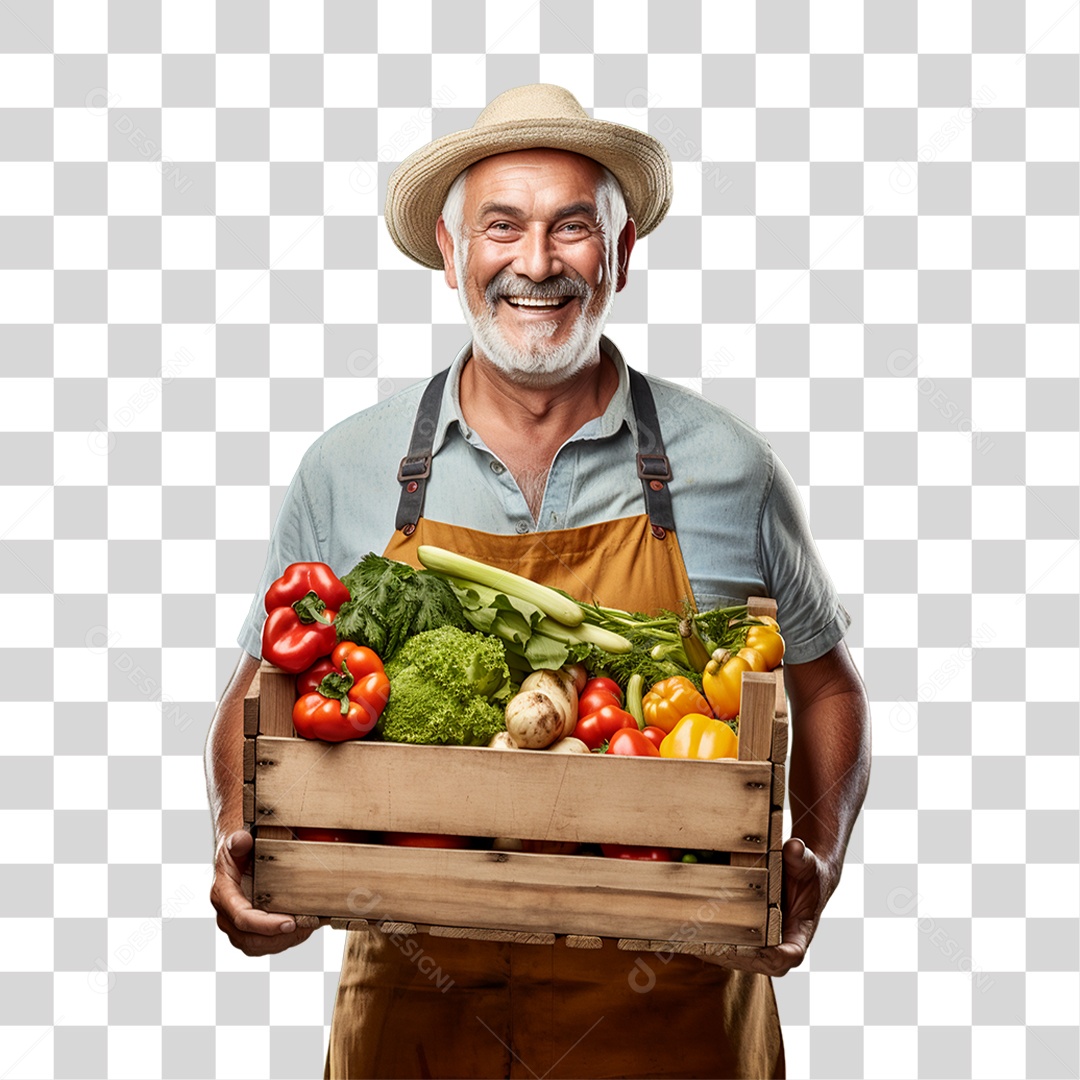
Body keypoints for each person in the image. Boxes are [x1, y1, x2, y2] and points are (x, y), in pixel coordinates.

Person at [206, 83, 871, 1079]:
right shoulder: (348, 467)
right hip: (417, 1010)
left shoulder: (727, 466)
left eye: (573, 228)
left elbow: (823, 688)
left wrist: (815, 864)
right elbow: (255, 695)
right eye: (501, 226)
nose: (536, 262)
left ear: (621, 254)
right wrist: (236, 833)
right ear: (450, 253)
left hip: (674, 1014)